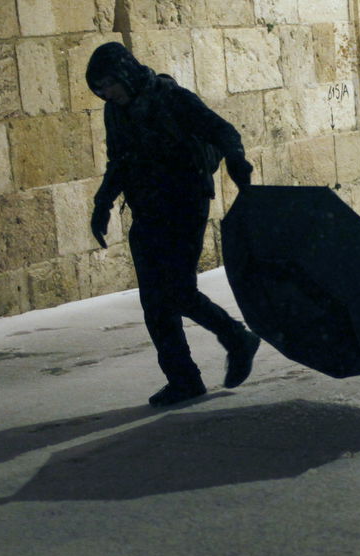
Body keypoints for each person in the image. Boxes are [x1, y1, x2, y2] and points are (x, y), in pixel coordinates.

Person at [85, 42, 262, 407]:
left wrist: (236, 161)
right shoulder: (115, 111)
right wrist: (103, 201)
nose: (106, 93)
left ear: (125, 73)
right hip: (147, 210)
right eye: (99, 88)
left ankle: (236, 337)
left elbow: (223, 130)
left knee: (178, 291)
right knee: (154, 302)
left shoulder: (171, 97)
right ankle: (183, 379)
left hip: (184, 204)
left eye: (108, 84)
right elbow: (118, 159)